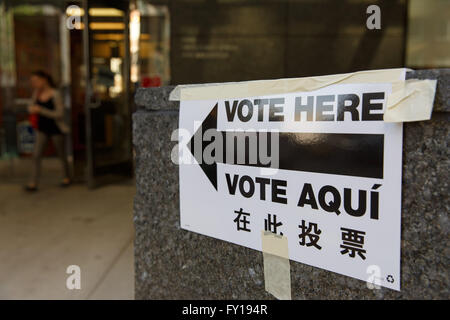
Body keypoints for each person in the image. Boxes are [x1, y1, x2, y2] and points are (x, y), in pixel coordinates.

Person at [25, 70, 70, 191]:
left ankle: (66, 177)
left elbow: (60, 114)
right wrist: (32, 109)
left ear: (44, 80)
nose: (34, 84)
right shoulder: (37, 93)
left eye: (36, 81)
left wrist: (41, 110)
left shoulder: (55, 94)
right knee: (36, 155)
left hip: (56, 128)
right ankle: (33, 182)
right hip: (41, 128)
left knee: (61, 155)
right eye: (32, 82)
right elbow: (30, 106)